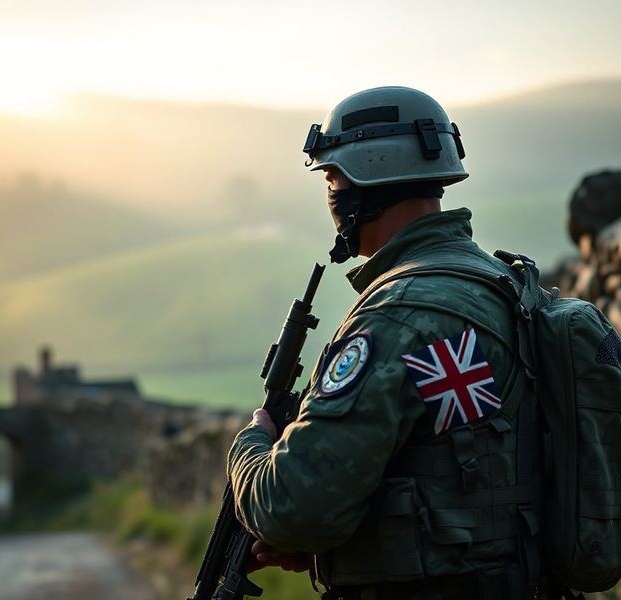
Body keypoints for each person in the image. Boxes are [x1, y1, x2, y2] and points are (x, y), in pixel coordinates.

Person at [226, 86, 544, 600]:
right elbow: (462, 475)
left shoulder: (399, 315)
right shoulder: (500, 285)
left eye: (332, 177)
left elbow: (289, 511)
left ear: (366, 177)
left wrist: (252, 445)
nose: (331, 193)